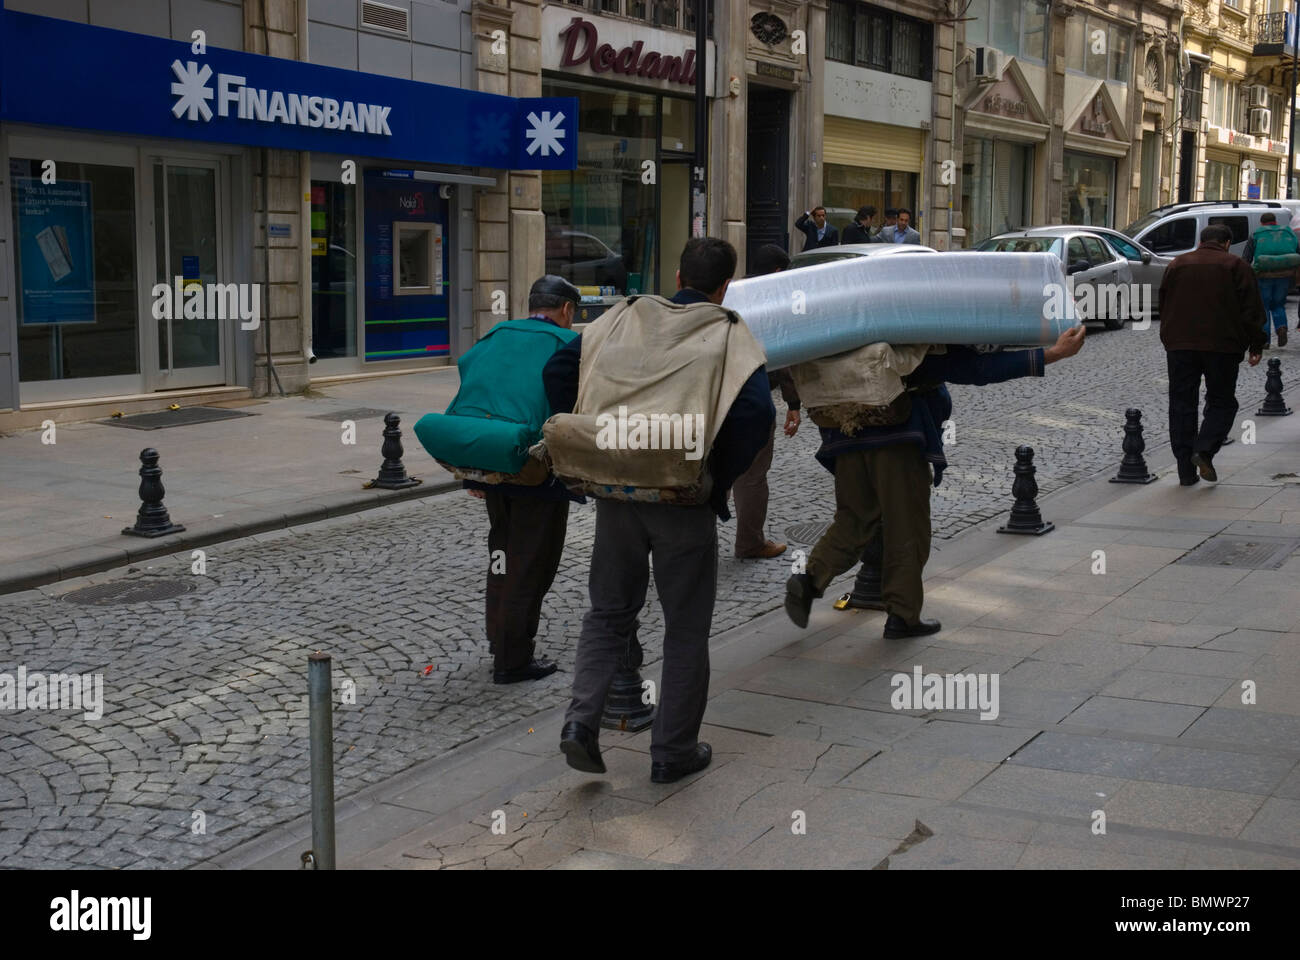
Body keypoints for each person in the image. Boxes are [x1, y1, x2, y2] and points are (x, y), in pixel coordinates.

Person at [545, 238, 775, 783]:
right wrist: (714, 471)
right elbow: (756, 413)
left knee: (607, 614)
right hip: (681, 494)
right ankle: (672, 752)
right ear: (726, 286)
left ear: (677, 273)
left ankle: (581, 723)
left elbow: (558, 368)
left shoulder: (625, 317)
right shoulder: (727, 330)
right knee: (686, 627)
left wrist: (594, 435)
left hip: (618, 492)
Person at [784, 325, 1087, 638]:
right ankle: (903, 614)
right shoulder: (911, 331)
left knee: (854, 518)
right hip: (895, 436)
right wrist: (1051, 354)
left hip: (843, 431)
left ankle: (809, 580)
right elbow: (975, 368)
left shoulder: (852, 330)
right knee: (907, 524)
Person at [430, 276, 586, 684]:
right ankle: (513, 660)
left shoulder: (497, 333)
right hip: (537, 471)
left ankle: (500, 639)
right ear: (567, 310)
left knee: (501, 552)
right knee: (532, 562)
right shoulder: (567, 345)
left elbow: (472, 383)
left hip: (493, 461)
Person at [1159, 223, 1265, 485]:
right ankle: (1204, 450)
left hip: (1180, 344)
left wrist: (1169, 336)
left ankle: (1185, 470)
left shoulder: (1177, 264)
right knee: (1222, 402)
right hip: (1223, 345)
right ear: (1227, 242)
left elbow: (1163, 301)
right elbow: (1251, 310)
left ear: (1201, 241)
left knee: (1182, 404)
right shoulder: (1236, 266)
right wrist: (1256, 344)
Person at [732, 243, 802, 559]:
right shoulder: (772, 301)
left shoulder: (729, 292)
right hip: (752, 397)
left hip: (714, 394)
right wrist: (794, 404)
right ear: (776, 273)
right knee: (752, 474)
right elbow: (783, 357)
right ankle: (749, 542)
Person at [1242, 212, 1298, 348]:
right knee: (1278, 304)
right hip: (1285, 274)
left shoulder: (1256, 234)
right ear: (1275, 221)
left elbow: (1246, 258)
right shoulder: (1288, 232)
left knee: (1264, 306)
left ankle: (1265, 339)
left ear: (1262, 222)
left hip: (1263, 275)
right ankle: (1281, 327)